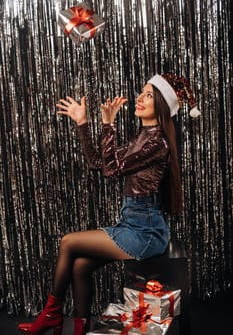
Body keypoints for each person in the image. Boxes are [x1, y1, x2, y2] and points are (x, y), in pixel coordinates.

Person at [18, 73, 200, 335]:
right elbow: (98, 164)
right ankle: (79, 328)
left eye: (148, 94)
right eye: (142, 91)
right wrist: (83, 123)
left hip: (145, 232)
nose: (139, 98)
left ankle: (51, 315)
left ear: (162, 104)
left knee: (68, 242)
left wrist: (108, 123)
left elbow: (112, 170)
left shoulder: (157, 142)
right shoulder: (143, 137)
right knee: (80, 265)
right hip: (132, 223)